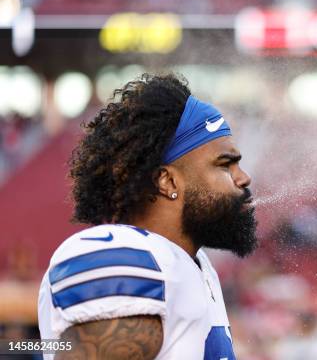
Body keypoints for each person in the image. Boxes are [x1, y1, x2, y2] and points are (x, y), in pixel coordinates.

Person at [37, 74, 257, 359]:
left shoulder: (194, 263)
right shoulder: (126, 257)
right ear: (167, 181)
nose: (244, 178)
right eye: (225, 164)